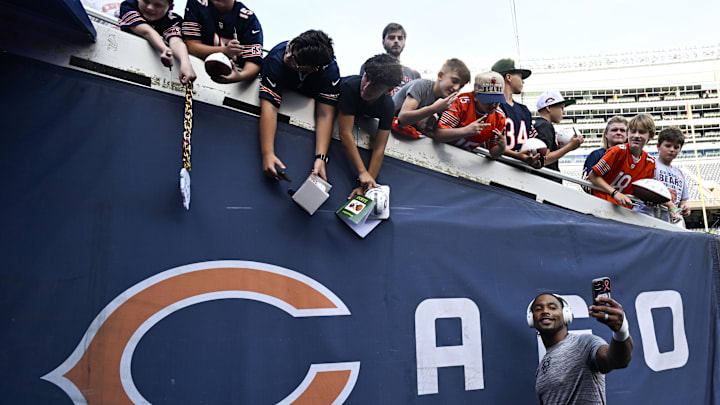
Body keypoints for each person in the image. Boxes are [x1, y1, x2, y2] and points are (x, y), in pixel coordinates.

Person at [258, 30, 340, 182]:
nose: (287, 56)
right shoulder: (277, 58)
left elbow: (325, 114)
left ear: (312, 69)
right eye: (290, 48)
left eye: (294, 59)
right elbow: (269, 107)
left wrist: (320, 157)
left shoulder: (330, 73)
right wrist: (267, 153)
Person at [529, 293, 633, 404]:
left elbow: (616, 359)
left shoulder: (583, 343)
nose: (545, 311)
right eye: (538, 309)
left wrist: (621, 331)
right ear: (531, 319)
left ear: (566, 314)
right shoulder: (542, 367)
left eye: (552, 308)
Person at [337, 54, 403, 198]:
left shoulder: (387, 106)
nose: (366, 87)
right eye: (366, 78)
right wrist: (362, 172)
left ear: (388, 90)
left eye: (376, 86)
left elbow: (379, 147)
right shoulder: (350, 87)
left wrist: (367, 184)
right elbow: (345, 133)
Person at [182, 0, 262, 83]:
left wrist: (239, 76)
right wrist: (224, 50)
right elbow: (192, 46)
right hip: (196, 70)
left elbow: (254, 63)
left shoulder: (248, 19)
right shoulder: (197, 3)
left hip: (235, 85)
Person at [390, 58, 471, 139]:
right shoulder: (420, 85)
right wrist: (433, 109)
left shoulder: (446, 101)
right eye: (454, 81)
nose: (456, 88)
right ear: (440, 76)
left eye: (461, 86)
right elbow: (402, 119)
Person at [119, 0, 196, 84]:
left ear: (170, 7)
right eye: (146, 1)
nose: (150, 7)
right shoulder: (128, 6)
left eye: (158, 5)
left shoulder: (173, 20)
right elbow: (146, 31)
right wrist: (164, 49)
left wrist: (185, 63)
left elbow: (176, 41)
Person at [588, 114, 656, 208]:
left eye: (641, 132)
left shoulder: (650, 162)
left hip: (625, 210)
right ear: (628, 133)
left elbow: (641, 191)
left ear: (651, 136)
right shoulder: (617, 151)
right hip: (601, 204)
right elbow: (592, 176)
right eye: (633, 131)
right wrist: (615, 193)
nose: (636, 135)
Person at [434, 72, 507, 158]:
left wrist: (502, 147)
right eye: (489, 100)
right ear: (475, 96)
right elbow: (438, 135)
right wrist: (466, 131)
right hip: (439, 152)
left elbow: (494, 153)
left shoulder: (499, 116)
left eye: (497, 99)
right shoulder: (460, 103)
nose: (493, 104)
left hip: (464, 157)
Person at [491, 58, 542, 168]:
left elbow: (532, 141)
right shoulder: (492, 106)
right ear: (508, 77)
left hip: (522, 169)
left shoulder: (524, 110)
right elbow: (489, 144)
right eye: (520, 76)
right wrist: (517, 156)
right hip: (498, 168)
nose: (522, 81)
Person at [634, 127, 690, 223]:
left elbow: (683, 200)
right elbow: (646, 191)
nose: (672, 150)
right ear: (658, 146)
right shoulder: (650, 164)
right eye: (668, 146)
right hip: (647, 217)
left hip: (669, 220)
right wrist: (670, 205)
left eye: (676, 147)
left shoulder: (679, 173)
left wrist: (685, 207)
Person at [534, 91, 584, 182]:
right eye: (561, 108)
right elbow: (545, 159)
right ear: (549, 108)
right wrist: (569, 146)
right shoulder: (545, 126)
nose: (563, 113)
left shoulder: (540, 124)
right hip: (547, 181)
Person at [361, 23, 420, 96]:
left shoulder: (414, 74)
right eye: (391, 38)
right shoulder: (371, 66)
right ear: (383, 42)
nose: (396, 41)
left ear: (404, 42)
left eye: (400, 38)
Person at [581, 116, 628, 192]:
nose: (618, 132)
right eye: (614, 130)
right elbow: (586, 183)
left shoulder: (633, 157)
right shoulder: (595, 155)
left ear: (627, 134)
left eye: (622, 130)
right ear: (606, 134)